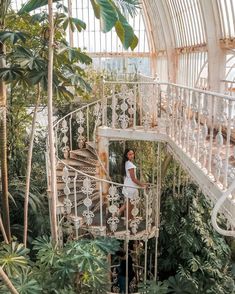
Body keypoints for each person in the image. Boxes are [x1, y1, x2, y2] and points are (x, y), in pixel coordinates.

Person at [119, 149, 146, 220]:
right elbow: (133, 179)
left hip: (128, 186)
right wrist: (142, 185)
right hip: (131, 187)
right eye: (129, 154)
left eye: (132, 154)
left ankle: (117, 214)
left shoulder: (126, 163)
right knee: (129, 206)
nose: (132, 156)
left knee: (128, 204)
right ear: (126, 155)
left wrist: (142, 184)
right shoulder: (130, 165)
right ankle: (127, 221)